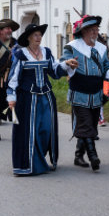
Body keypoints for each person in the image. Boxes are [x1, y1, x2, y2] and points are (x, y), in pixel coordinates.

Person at [60, 15, 109, 171]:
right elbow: (63, 64)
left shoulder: (101, 49)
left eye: (97, 30)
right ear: (84, 31)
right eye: (92, 30)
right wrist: (69, 64)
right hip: (79, 91)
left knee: (90, 124)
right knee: (86, 124)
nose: (96, 33)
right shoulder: (71, 47)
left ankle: (78, 156)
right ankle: (93, 155)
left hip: (96, 93)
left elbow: (106, 68)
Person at [6, 24, 71, 175]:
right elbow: (13, 79)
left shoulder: (46, 52)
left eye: (40, 35)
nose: (38, 38)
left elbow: (54, 72)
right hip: (28, 99)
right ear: (28, 37)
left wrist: (67, 65)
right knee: (31, 131)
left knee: (46, 130)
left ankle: (41, 158)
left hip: (46, 98)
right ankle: (31, 164)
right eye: (35, 35)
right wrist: (11, 97)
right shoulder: (20, 54)